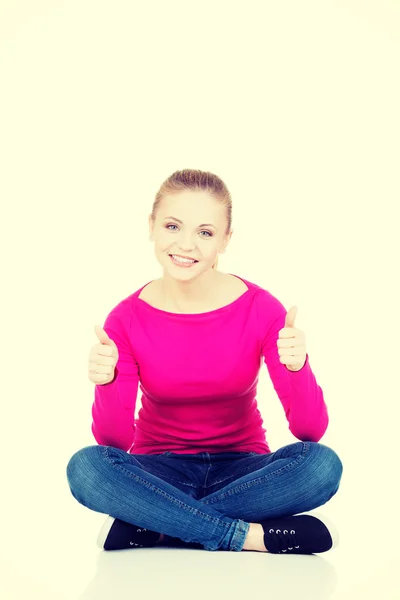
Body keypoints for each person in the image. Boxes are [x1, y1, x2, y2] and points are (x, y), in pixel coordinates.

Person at [66, 168, 343, 554]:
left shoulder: (261, 309)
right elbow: (112, 442)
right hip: (159, 472)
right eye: (173, 226)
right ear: (152, 227)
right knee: (87, 469)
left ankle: (157, 526)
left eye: (205, 232)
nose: (187, 245)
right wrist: (107, 380)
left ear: (226, 240)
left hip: (244, 471)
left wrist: (299, 368)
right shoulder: (125, 319)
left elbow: (310, 429)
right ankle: (245, 536)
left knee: (321, 466)